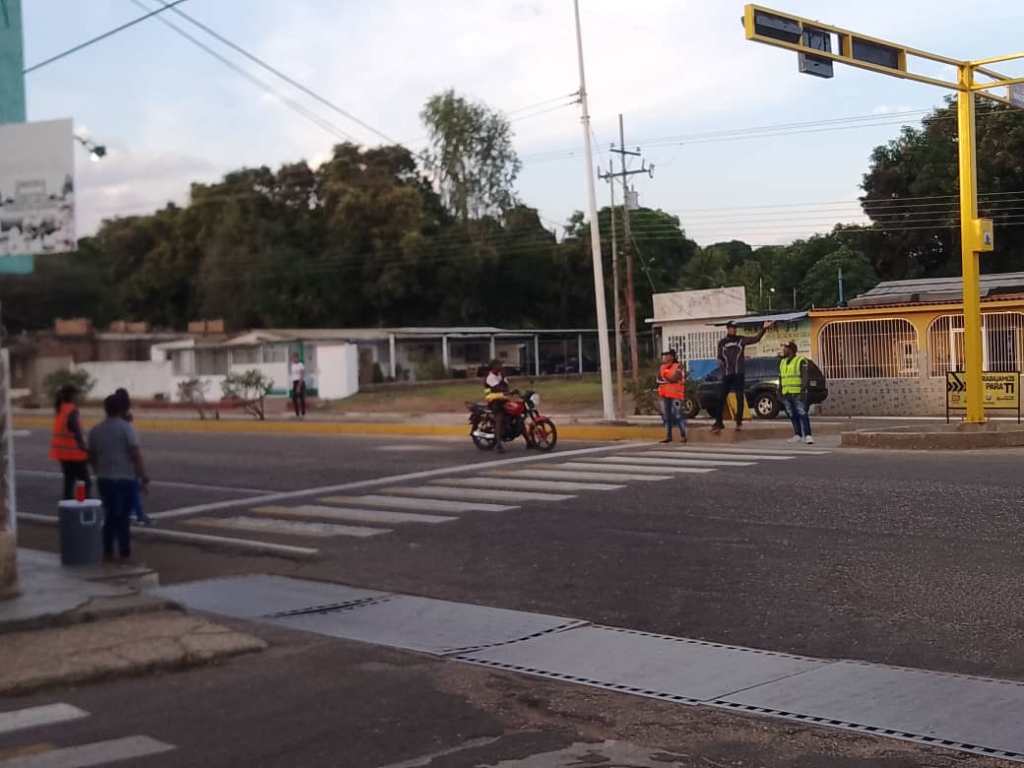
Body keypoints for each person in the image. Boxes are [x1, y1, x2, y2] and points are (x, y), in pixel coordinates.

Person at [89, 392, 150, 562]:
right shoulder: (126, 428)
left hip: (104, 480)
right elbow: (135, 454)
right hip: (125, 479)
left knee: (110, 515)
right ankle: (124, 552)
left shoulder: (96, 430)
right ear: (122, 409)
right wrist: (143, 476)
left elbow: (91, 456)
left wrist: (98, 470)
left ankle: (108, 550)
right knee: (123, 518)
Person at [711, 320, 774, 433]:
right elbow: (719, 358)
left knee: (740, 397)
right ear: (728, 328)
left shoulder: (740, 340)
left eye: (735, 328)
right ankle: (718, 423)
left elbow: (756, 339)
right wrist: (720, 367)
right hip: (727, 374)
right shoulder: (722, 342)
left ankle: (738, 422)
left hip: (739, 373)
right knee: (721, 398)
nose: (734, 330)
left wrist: (764, 328)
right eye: (732, 328)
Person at [114, 388, 152, 526]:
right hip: (127, 459)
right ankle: (138, 514)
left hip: (115, 461)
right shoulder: (127, 422)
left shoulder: (113, 419)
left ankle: (130, 513)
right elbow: (134, 448)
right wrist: (143, 474)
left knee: (123, 490)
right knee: (132, 488)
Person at [49, 385, 91, 500]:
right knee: (85, 481)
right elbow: (76, 430)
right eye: (77, 395)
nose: (78, 397)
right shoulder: (72, 410)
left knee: (69, 480)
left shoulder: (60, 408)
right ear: (72, 396)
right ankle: (83, 505)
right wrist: (85, 449)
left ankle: (68, 505)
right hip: (74, 454)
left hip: (62, 454)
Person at [780, 341, 814, 445]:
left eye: (785, 348)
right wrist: (780, 391)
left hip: (797, 392)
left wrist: (803, 390)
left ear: (790, 350)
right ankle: (797, 435)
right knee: (792, 414)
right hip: (786, 392)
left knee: (802, 413)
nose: (783, 350)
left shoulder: (800, 361)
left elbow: (805, 377)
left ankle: (808, 435)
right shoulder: (782, 362)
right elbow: (781, 377)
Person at [657, 350, 687, 444]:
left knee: (678, 415)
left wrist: (665, 377)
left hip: (676, 395)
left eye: (667, 355)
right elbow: (658, 379)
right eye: (664, 356)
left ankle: (683, 435)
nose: (665, 357)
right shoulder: (662, 367)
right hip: (665, 394)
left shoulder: (678, 366)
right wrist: (667, 378)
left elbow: (675, 378)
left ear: (672, 357)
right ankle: (668, 436)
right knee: (667, 416)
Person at [483, 359, 511, 453]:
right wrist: (504, 384)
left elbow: (506, 387)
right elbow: (499, 388)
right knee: (499, 418)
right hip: (493, 401)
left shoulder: (501, 374)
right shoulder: (490, 377)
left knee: (517, 414)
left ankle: (529, 441)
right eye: (499, 365)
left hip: (502, 399)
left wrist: (503, 378)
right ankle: (498, 444)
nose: (501, 366)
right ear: (494, 366)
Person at [290, 354, 307, 419]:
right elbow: (293, 376)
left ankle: (303, 413)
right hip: (294, 382)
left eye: (295, 358)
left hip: (300, 382)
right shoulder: (292, 365)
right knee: (294, 399)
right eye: (293, 358)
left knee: (301, 398)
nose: (294, 359)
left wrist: (299, 386)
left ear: (297, 358)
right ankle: (297, 414)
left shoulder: (301, 365)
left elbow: (302, 375)